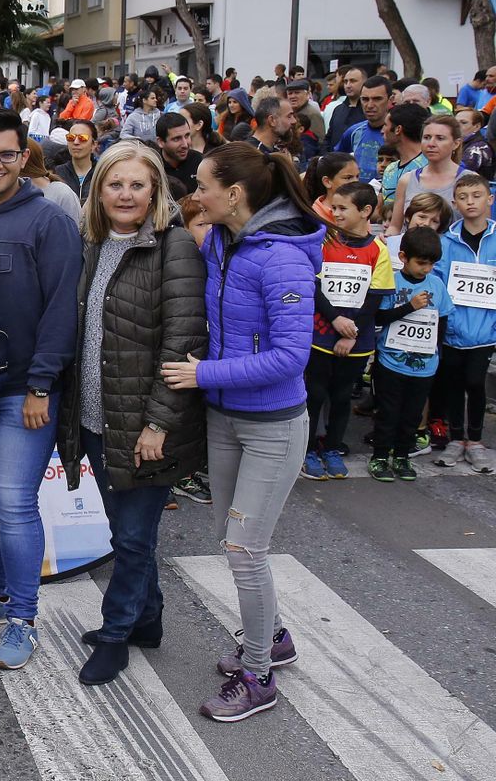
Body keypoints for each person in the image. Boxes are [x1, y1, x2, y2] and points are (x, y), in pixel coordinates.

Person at [161, 142, 324, 722]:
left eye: (203, 185)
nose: (195, 195)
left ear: (234, 194)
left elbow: (289, 357)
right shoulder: (226, 243)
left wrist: (204, 373)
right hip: (225, 420)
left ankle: (258, 676)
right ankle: (273, 638)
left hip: (273, 428)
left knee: (244, 549)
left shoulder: (280, 259)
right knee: (232, 543)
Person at [55, 141, 206, 685]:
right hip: (95, 418)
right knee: (127, 529)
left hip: (146, 424)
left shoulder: (176, 247)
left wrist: (158, 423)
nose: (125, 194)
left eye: (137, 185)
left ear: (155, 191)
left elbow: (184, 341)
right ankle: (148, 619)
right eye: (114, 184)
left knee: (133, 537)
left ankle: (116, 634)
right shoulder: (89, 244)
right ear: (98, 191)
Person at [0, 108, 81, 670]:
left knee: (16, 501)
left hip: (25, 391)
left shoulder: (49, 221)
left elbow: (61, 311)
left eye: (7, 154)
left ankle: (23, 617)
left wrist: (42, 385)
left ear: (25, 156)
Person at [303, 182, 392, 478]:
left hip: (356, 341)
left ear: (366, 211)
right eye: (334, 208)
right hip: (321, 335)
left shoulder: (378, 250)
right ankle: (308, 450)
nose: (335, 213)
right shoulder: (325, 241)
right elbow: (313, 285)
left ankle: (332, 446)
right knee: (314, 394)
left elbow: (374, 298)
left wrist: (348, 334)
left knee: (341, 396)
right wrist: (335, 322)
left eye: (343, 208)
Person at [427, 173, 496, 472]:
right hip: (453, 329)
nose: (471, 202)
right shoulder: (447, 241)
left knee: (475, 382)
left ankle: (477, 441)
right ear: (455, 203)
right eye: (464, 197)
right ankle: (457, 438)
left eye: (477, 196)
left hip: (485, 329)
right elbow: (438, 284)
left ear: (489, 199)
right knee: (453, 383)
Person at [372, 227, 452, 481]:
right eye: (421, 263)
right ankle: (380, 456)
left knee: (412, 415)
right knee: (388, 412)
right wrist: (409, 306)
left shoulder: (437, 284)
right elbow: (380, 317)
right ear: (404, 256)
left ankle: (403, 456)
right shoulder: (392, 281)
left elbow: (442, 320)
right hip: (391, 362)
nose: (426, 269)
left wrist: (434, 351)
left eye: (431, 264)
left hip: (424, 365)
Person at [388, 111, 460, 233]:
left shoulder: (468, 180)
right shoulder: (407, 180)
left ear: (456, 144)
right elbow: (395, 226)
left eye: (440, 138)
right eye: (427, 137)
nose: (431, 144)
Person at [337, 75, 393, 182]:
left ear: (390, 100)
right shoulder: (353, 132)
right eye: (365, 99)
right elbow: (336, 163)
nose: (370, 105)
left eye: (377, 99)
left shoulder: (398, 135)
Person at [156, 113, 203, 195]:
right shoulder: (153, 167)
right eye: (176, 139)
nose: (185, 144)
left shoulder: (200, 162)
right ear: (161, 142)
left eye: (187, 136)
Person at [54, 120, 99, 201]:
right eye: (71, 137)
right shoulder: (57, 173)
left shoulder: (101, 173)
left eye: (82, 138)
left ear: (93, 145)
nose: (76, 142)